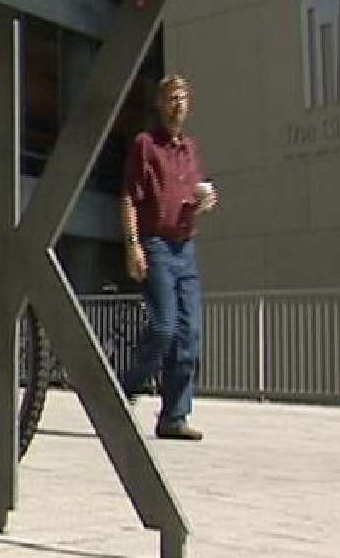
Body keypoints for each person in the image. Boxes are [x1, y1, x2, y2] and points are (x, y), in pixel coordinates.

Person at [120, 73, 218, 442]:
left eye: (183, 97)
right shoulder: (145, 145)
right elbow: (129, 197)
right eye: (171, 97)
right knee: (163, 327)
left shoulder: (191, 149)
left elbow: (191, 193)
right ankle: (121, 390)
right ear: (160, 104)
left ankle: (174, 416)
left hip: (185, 246)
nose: (178, 103)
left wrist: (204, 202)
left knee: (189, 333)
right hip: (156, 245)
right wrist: (133, 245)